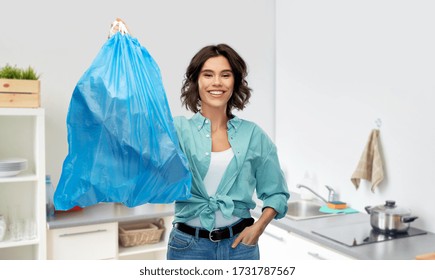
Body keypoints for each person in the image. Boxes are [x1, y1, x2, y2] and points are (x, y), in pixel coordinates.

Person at [167, 43, 290, 260]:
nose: (217, 82)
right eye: (208, 74)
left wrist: (258, 228)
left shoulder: (253, 135)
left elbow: (276, 192)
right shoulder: (177, 129)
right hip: (188, 248)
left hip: (239, 247)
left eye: (225, 75)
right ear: (196, 81)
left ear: (235, 82)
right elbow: (140, 148)